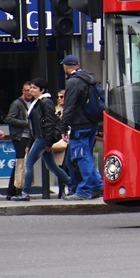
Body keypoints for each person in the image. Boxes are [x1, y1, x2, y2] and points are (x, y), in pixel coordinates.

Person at [12, 78, 72, 201]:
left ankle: (25, 193)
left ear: (42, 90)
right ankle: (72, 185)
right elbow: (34, 126)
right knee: (52, 166)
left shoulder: (45, 102)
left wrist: (49, 142)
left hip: (43, 138)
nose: (31, 90)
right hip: (40, 138)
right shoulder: (37, 103)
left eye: (34, 88)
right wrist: (30, 143)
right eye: (30, 88)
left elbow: (49, 123)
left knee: (28, 163)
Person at [61, 55, 104, 201]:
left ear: (66, 66)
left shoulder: (73, 82)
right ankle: (97, 185)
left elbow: (70, 105)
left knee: (81, 157)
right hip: (91, 123)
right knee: (82, 157)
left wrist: (63, 126)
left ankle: (84, 190)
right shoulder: (89, 78)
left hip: (80, 125)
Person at [5, 81, 33, 199]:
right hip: (20, 137)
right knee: (21, 163)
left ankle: (13, 190)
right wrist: (26, 123)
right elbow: (9, 118)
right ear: (23, 91)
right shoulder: (17, 104)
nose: (29, 93)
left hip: (29, 137)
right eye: (27, 90)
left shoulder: (33, 103)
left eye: (31, 90)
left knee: (21, 164)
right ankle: (16, 190)